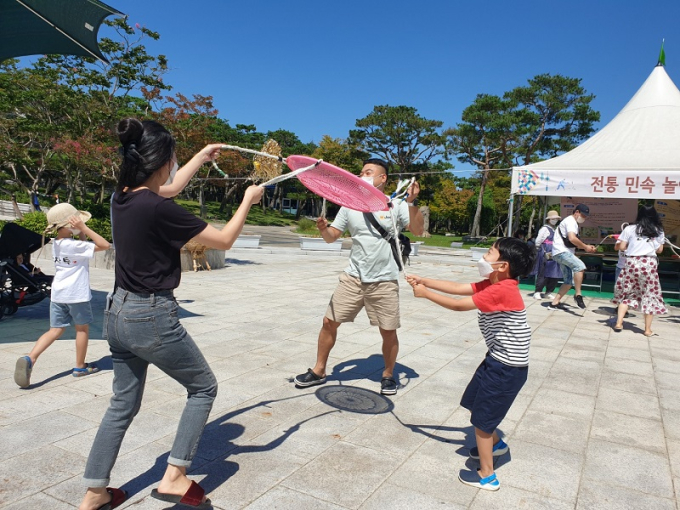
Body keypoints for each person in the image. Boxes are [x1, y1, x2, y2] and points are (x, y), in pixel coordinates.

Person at [78, 118, 264, 510]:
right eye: (175, 155)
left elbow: (170, 188)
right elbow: (225, 239)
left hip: (116, 312)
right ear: (162, 160)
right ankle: (175, 477)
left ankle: (95, 492)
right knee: (203, 388)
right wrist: (247, 199)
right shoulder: (161, 210)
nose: (177, 163)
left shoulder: (123, 196)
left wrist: (200, 155)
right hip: (151, 316)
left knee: (122, 403)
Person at [406, 238, 535, 491]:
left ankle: (488, 476)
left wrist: (425, 294)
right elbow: (457, 288)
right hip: (497, 360)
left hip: (506, 369)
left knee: (482, 424)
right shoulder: (495, 282)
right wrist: (425, 280)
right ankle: (497, 445)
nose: (483, 257)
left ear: (502, 265)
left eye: (489, 253)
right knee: (474, 404)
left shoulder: (502, 289)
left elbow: (456, 305)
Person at [293, 158, 424, 396]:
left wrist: (412, 202)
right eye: (361, 171)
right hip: (352, 278)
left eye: (368, 172)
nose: (362, 175)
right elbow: (333, 236)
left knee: (388, 330)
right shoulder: (349, 205)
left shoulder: (395, 205)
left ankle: (387, 374)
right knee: (328, 322)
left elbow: (417, 230)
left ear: (382, 178)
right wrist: (323, 228)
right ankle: (319, 370)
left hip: (384, 280)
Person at [14, 203, 111, 389]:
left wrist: (80, 231)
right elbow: (104, 245)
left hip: (59, 294)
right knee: (82, 329)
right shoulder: (75, 246)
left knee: (55, 330)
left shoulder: (57, 243)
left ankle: (30, 358)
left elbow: (82, 246)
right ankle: (80, 367)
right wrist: (85, 229)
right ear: (69, 225)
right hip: (77, 295)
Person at [612, 206, 667, 336]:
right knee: (649, 295)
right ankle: (647, 330)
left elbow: (622, 246)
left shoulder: (629, 229)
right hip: (648, 263)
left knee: (628, 293)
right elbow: (660, 250)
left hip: (631, 262)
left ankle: (619, 323)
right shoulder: (658, 230)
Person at [548, 204, 597, 310]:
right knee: (580, 267)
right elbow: (572, 239)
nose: (584, 218)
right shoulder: (571, 221)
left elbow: (572, 241)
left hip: (559, 253)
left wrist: (586, 246)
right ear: (577, 212)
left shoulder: (569, 221)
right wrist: (585, 247)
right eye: (583, 215)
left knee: (568, 282)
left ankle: (554, 303)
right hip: (562, 252)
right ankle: (578, 294)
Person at [531, 210, 562, 300]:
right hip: (545, 253)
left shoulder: (555, 229)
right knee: (543, 273)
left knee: (554, 273)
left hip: (554, 253)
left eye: (556, 219)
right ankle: (537, 291)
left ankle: (549, 291)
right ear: (549, 219)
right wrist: (542, 250)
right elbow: (538, 242)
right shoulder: (544, 229)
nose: (555, 220)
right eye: (553, 218)